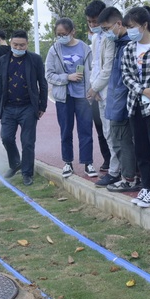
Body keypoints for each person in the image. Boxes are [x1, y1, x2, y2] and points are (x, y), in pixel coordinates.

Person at [122, 7, 150, 208]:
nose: (130, 31)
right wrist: (142, 90)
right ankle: (146, 185)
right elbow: (126, 76)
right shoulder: (129, 49)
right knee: (141, 149)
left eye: (132, 27)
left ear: (144, 25)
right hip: (135, 104)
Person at [0, 30, 49, 186]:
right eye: (15, 45)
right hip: (8, 107)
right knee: (6, 138)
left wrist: (42, 105)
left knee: (27, 142)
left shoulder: (35, 60)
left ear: (27, 45)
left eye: (22, 45)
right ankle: (15, 164)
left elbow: (42, 83)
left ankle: (27, 173)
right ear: (11, 43)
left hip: (28, 107)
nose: (18, 47)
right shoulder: (3, 60)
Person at [45, 18, 95, 179]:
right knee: (66, 131)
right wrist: (67, 77)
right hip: (63, 97)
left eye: (64, 34)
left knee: (85, 130)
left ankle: (88, 163)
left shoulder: (85, 48)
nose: (61, 37)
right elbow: (49, 75)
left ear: (72, 31)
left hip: (82, 95)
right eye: (58, 34)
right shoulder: (54, 50)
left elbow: (92, 71)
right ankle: (67, 162)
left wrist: (92, 90)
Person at [98, 7, 139, 191]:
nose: (106, 33)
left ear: (119, 24)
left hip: (122, 105)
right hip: (114, 102)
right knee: (118, 141)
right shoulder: (118, 44)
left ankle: (129, 178)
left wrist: (118, 107)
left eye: (107, 28)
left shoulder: (128, 45)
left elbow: (126, 80)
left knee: (123, 142)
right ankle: (129, 175)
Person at [85, 0, 117, 177]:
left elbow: (108, 68)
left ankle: (116, 171)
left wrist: (94, 88)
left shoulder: (109, 38)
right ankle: (114, 170)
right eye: (89, 22)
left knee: (113, 134)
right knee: (106, 133)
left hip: (109, 92)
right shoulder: (96, 39)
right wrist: (93, 88)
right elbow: (95, 65)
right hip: (99, 93)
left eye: (95, 21)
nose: (92, 25)